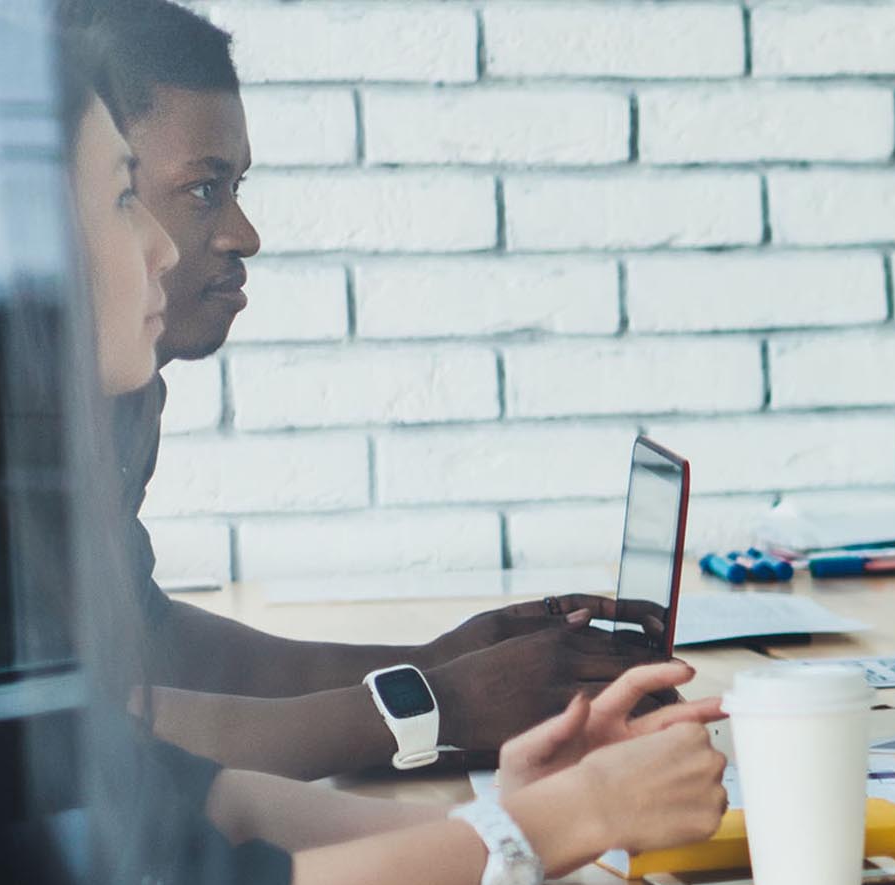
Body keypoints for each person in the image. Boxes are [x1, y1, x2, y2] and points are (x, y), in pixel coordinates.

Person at [0, 24, 733, 885]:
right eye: (142, 199)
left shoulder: (66, 428)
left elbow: (160, 774)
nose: (193, 241)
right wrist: (548, 813)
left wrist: (488, 790)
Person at [64, 0, 667, 784]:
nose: (246, 234)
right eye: (205, 190)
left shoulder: (122, 396)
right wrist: (439, 701)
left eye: (237, 185)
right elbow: (82, 739)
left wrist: (436, 665)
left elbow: (146, 643)